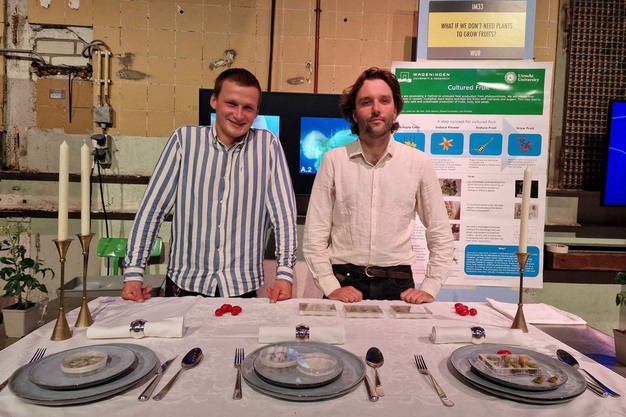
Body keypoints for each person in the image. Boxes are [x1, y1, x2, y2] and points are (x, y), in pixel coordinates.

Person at [122, 68, 297, 303]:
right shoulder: (184, 141)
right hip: (186, 283)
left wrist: (284, 275)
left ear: (257, 112)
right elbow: (152, 209)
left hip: (240, 286)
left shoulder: (268, 147)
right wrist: (134, 272)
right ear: (214, 101)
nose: (238, 115)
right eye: (231, 104)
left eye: (248, 108)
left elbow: (284, 216)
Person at [303, 67, 454, 304]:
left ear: (395, 110)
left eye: (384, 101)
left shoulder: (418, 163)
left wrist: (431, 286)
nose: (376, 109)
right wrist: (330, 286)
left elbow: (440, 232)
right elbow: (314, 234)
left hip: (399, 287)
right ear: (354, 114)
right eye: (366, 102)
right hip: (344, 283)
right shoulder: (333, 161)